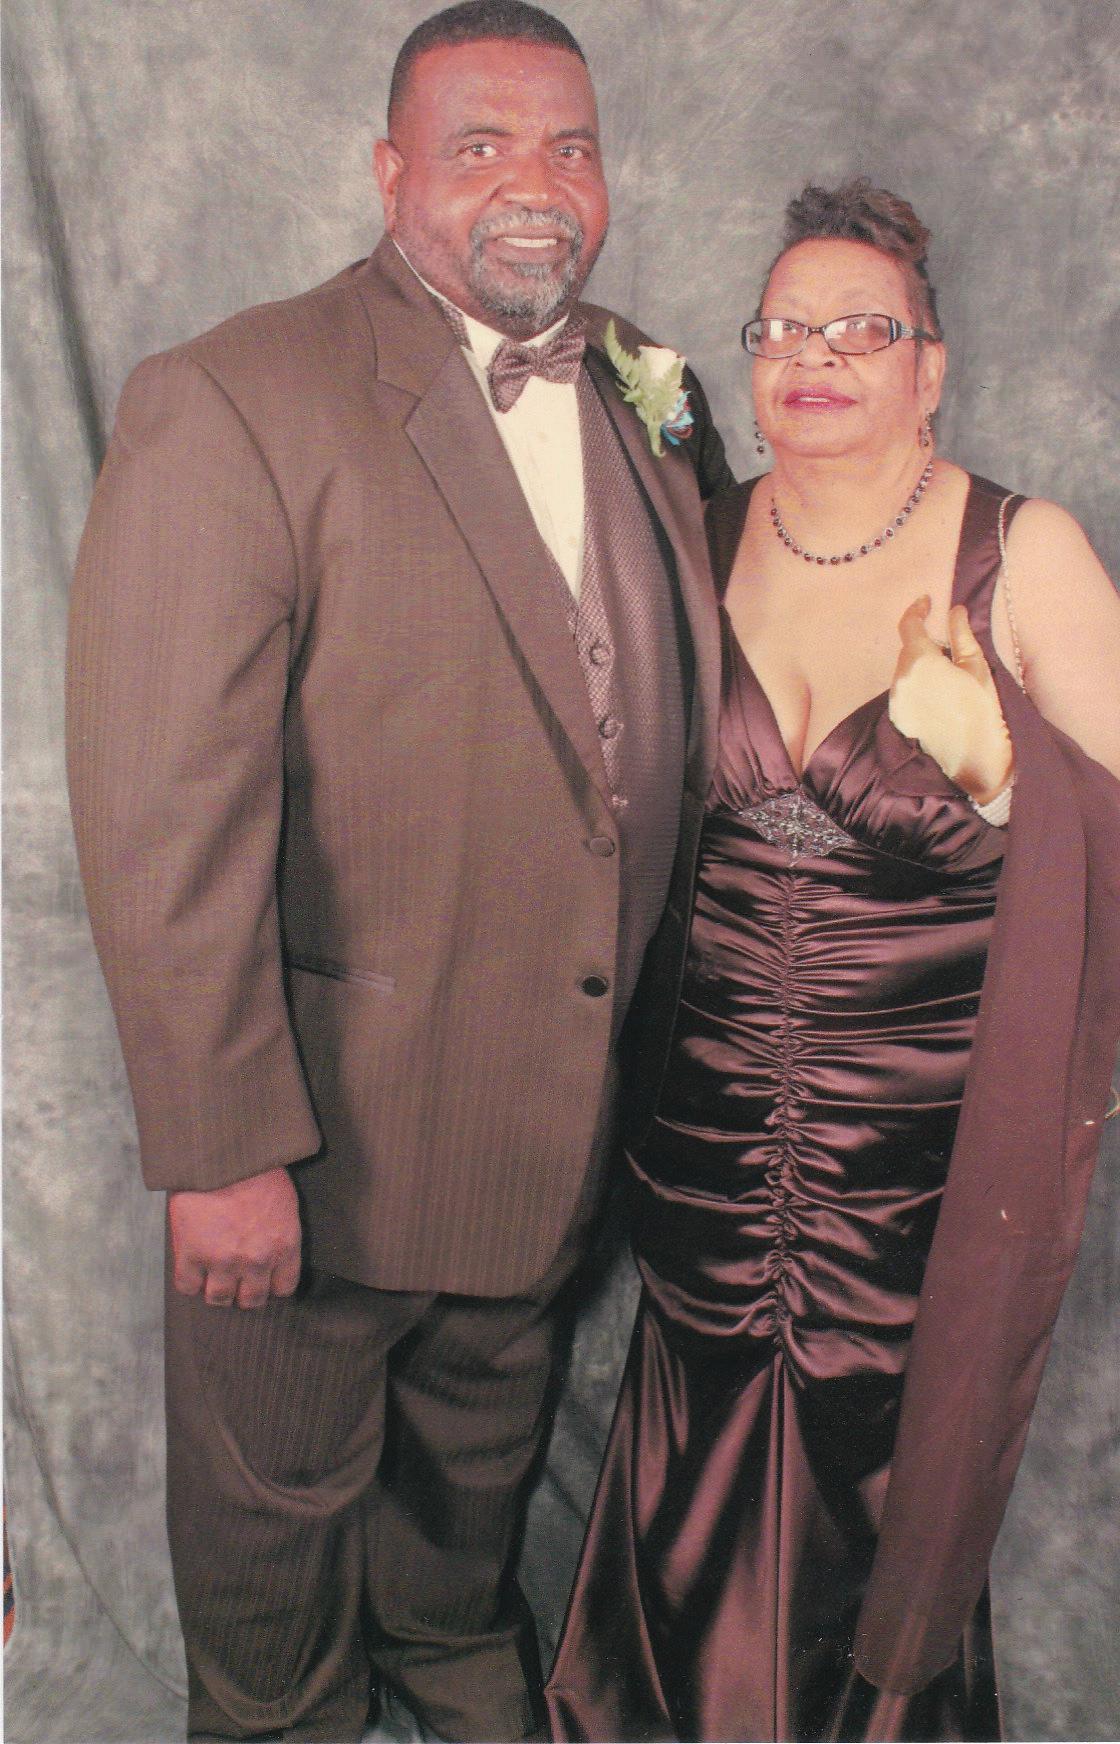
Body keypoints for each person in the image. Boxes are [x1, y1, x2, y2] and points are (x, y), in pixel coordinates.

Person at [64, 3, 733, 1738]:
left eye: (570, 146)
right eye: (480, 146)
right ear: (387, 173)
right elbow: (162, 811)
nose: (537, 185)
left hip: (552, 1117)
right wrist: (221, 1149)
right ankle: (281, 1716)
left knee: (473, 1474)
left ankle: (443, 1657)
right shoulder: (237, 396)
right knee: (274, 1522)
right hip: (321, 1138)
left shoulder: (651, 385)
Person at [546, 179, 1120, 1742]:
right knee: (686, 1484)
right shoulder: (698, 539)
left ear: (931, 370)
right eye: (783, 327)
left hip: (917, 1170)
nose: (813, 356)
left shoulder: (1025, 552)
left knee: (878, 1498)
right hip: (706, 1138)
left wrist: (1006, 774)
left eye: (861, 329)